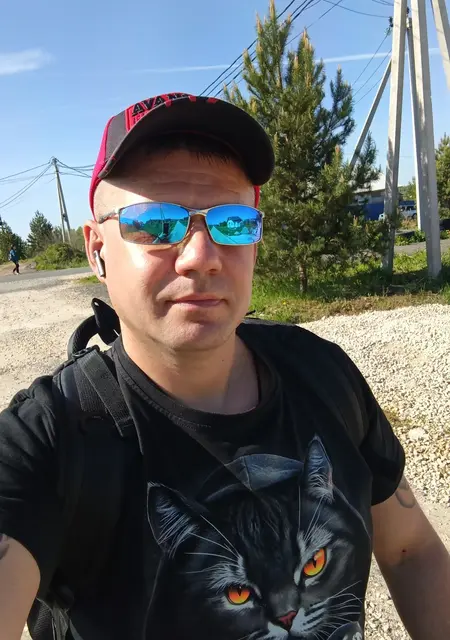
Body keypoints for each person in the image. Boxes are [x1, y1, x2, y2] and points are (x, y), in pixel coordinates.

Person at [0, 93, 448, 640]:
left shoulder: (321, 373)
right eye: (157, 224)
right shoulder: (48, 442)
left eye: (232, 223)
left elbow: (410, 549)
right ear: (97, 251)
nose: (201, 257)